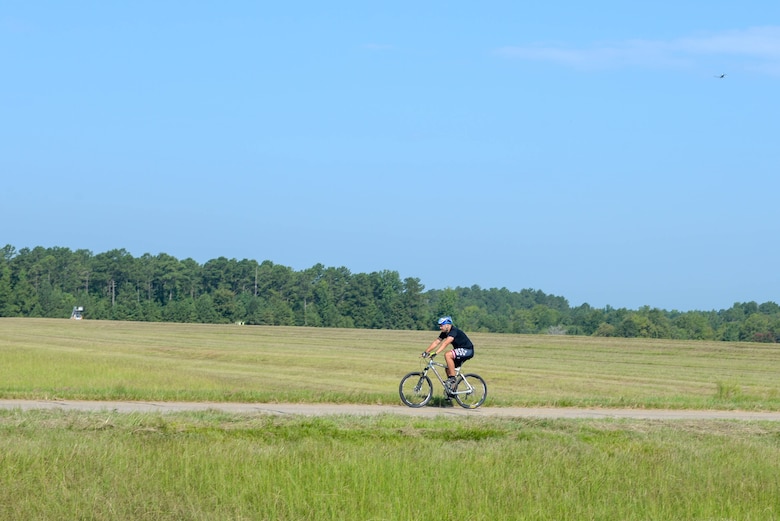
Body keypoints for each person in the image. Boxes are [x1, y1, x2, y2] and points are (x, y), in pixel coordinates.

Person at [421, 316, 475, 395]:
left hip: (467, 350)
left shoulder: (453, 331)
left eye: (441, 325)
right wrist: (426, 351)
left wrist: (436, 353)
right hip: (460, 351)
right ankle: (452, 391)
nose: (440, 327)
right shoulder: (444, 333)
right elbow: (436, 342)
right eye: (439, 325)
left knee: (447, 355)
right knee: (448, 369)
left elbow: (445, 343)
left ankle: (452, 378)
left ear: (447, 325)